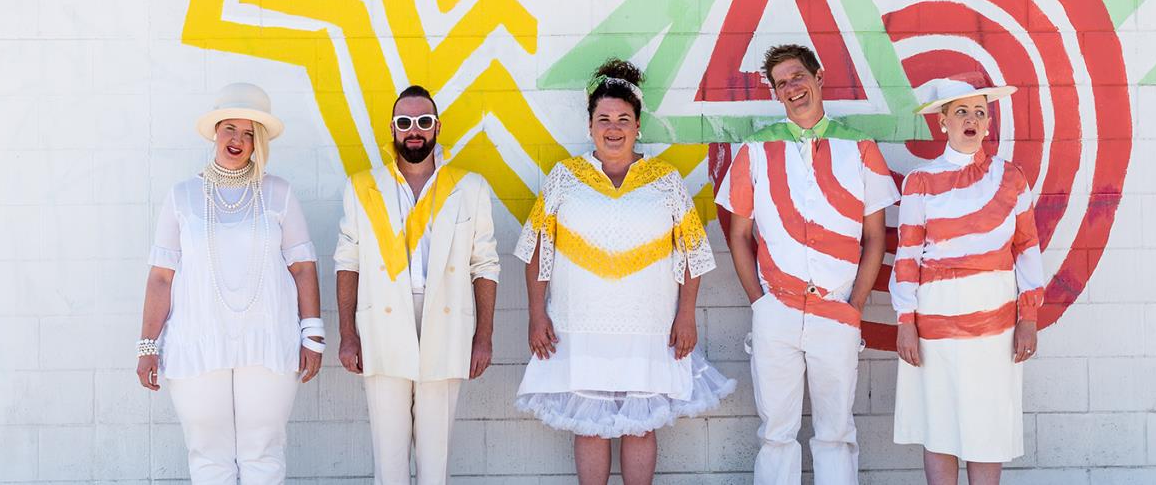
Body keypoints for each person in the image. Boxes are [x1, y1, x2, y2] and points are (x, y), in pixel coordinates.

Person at [514, 59, 735, 485]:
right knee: (590, 423)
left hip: (648, 324)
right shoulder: (565, 177)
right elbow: (538, 247)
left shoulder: (664, 180)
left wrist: (686, 314)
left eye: (623, 119)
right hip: (579, 323)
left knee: (640, 423)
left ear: (637, 126)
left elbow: (692, 253)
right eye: (604, 119)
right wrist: (536, 313)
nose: (613, 127)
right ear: (590, 125)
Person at [716, 43, 899, 485]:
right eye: (782, 84)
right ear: (777, 95)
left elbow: (875, 235)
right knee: (776, 433)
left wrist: (854, 304)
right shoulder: (756, 149)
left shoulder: (859, 147)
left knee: (836, 432)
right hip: (776, 309)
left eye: (798, 77)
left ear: (819, 77)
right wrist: (759, 302)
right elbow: (739, 234)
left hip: (836, 308)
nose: (792, 88)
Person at [137, 82, 324, 485]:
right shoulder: (183, 197)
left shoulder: (279, 194)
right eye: (230, 129)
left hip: (267, 341)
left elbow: (304, 267)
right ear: (216, 133)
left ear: (258, 143)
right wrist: (147, 346)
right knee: (208, 455)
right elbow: (160, 277)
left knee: (264, 452)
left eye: (248, 133)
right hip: (198, 340)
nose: (238, 139)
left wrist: (313, 334)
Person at [335, 84, 500, 485]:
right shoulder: (362, 188)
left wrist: (484, 336)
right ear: (392, 128)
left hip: (447, 327)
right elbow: (347, 262)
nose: (415, 130)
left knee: (434, 462)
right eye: (405, 122)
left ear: (437, 127)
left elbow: (485, 265)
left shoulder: (471, 187)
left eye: (424, 122)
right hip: (382, 327)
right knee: (388, 461)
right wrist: (347, 334)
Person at [890, 75, 1044, 485]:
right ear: (943, 122)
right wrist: (905, 322)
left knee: (986, 424)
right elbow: (906, 257)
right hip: (934, 321)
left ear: (989, 123)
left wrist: (1028, 317)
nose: (971, 120)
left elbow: (1027, 249)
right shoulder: (920, 182)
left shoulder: (1012, 179)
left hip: (994, 324)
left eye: (980, 112)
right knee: (938, 421)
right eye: (960, 112)